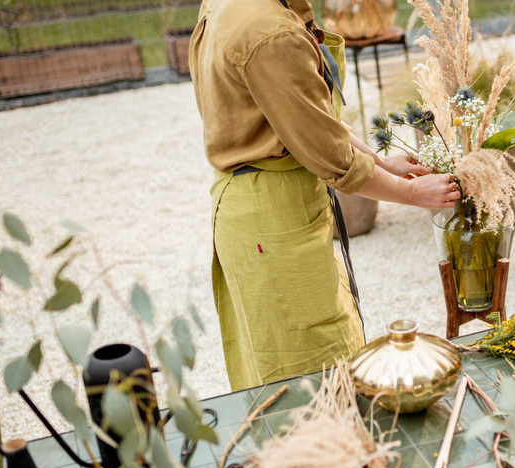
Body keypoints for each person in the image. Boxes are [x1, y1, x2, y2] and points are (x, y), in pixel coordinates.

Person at [189, 0, 457, 392]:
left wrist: (379, 162)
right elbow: (331, 156)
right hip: (273, 222)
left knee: (276, 363)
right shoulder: (272, 33)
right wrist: (412, 192)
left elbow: (301, 117)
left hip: (250, 211)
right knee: (312, 379)